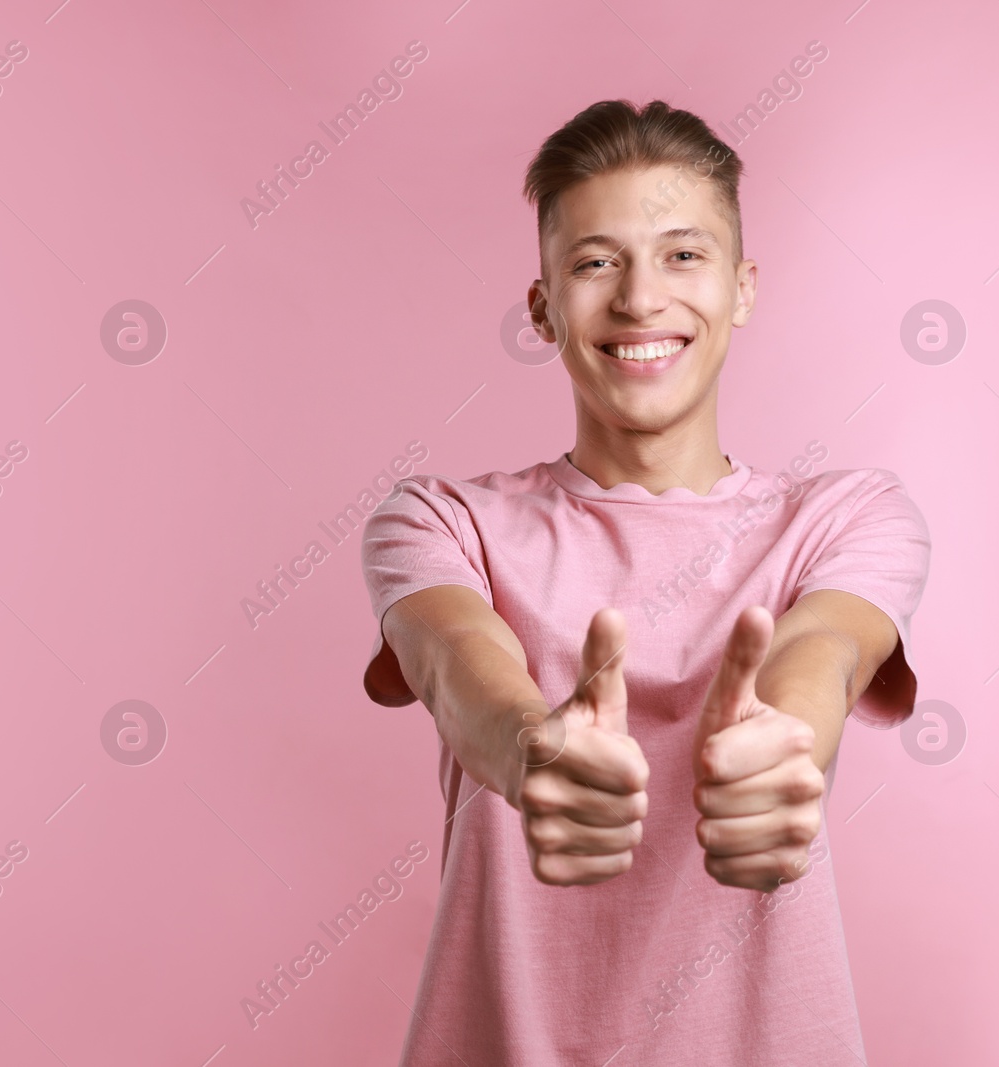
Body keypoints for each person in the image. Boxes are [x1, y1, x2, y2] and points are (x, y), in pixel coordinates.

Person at [359, 99, 932, 1065]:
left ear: (742, 287)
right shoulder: (440, 520)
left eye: (682, 255)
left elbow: (824, 652)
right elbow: (458, 662)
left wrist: (784, 742)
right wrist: (532, 748)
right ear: (542, 305)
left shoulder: (846, 517)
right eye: (595, 262)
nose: (638, 300)